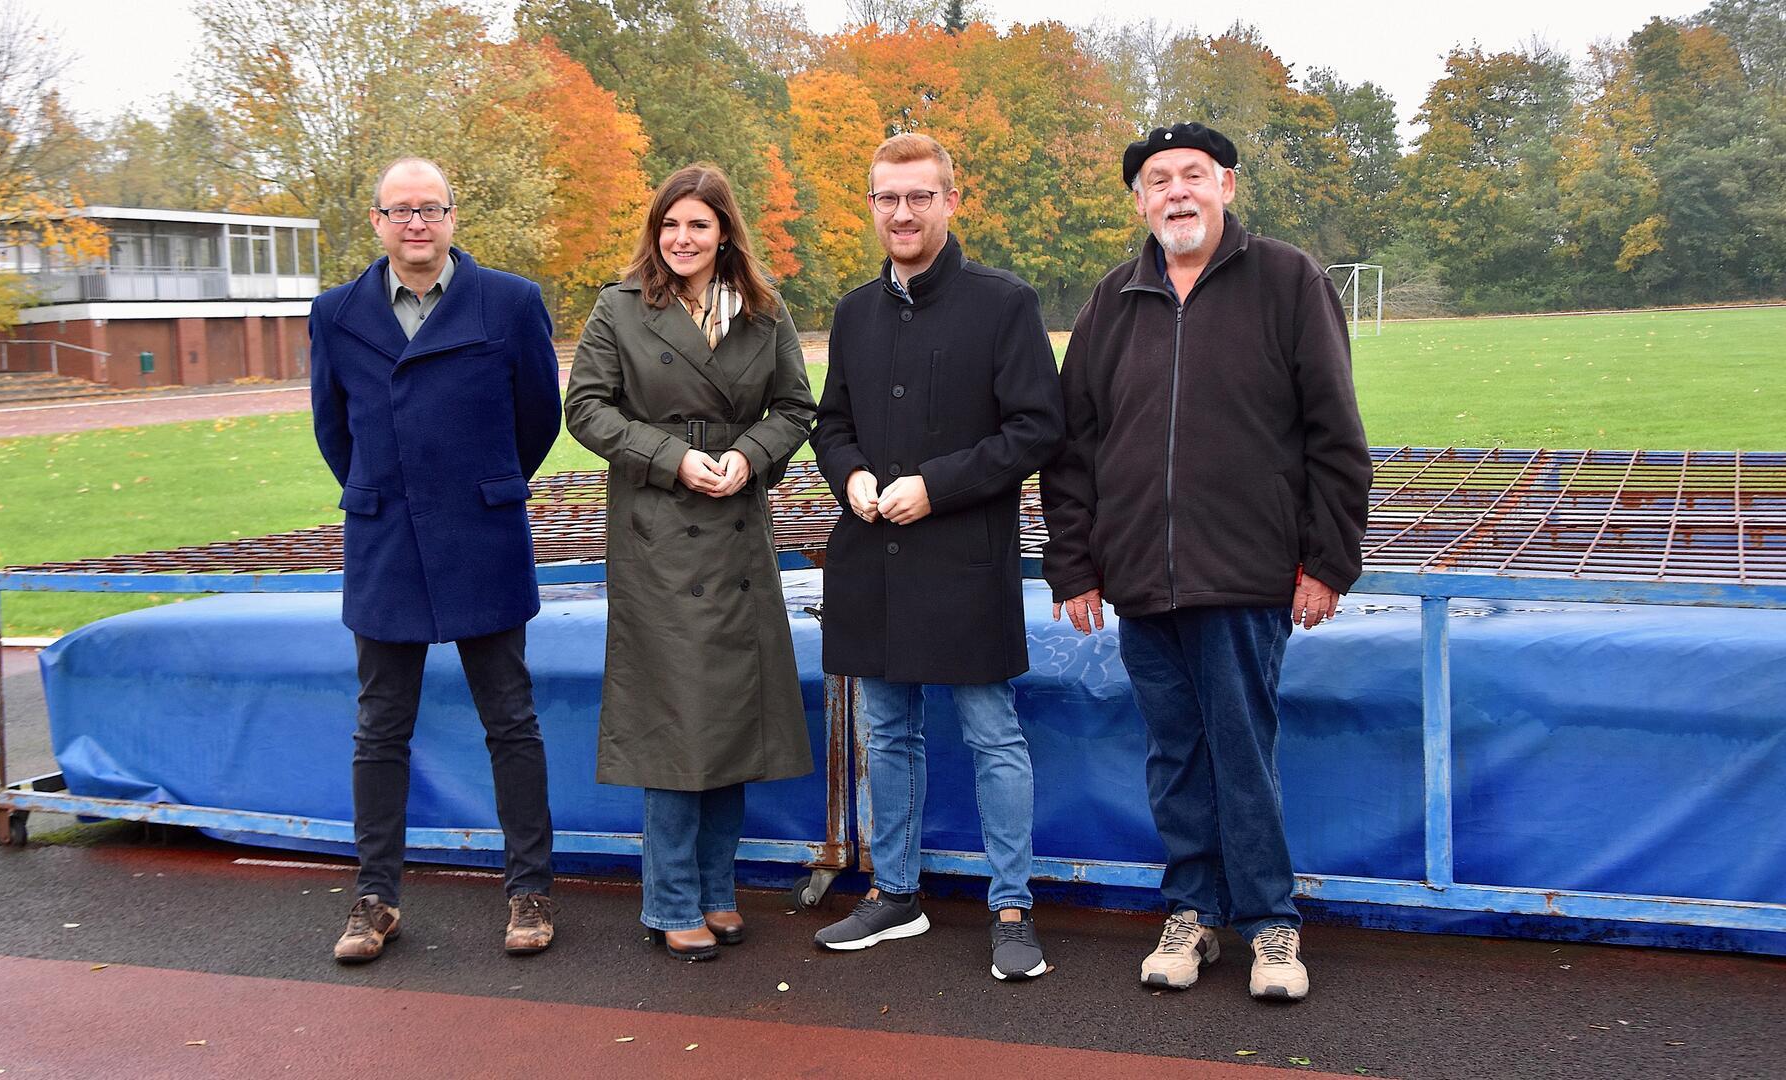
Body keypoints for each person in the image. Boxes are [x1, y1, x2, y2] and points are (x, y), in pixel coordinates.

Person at [1041, 123, 1371, 1001]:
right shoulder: (1113, 301)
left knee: (1242, 749)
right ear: (1139, 200)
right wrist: (1074, 564)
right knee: (1175, 754)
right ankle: (1191, 911)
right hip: (1142, 577)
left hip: (1246, 572)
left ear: (1227, 185)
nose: (1177, 192)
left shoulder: (1287, 280)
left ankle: (1270, 923)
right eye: (1159, 180)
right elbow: (1073, 449)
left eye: (1194, 175)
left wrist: (1327, 560)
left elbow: (1334, 431)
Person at [810, 133, 1064, 981]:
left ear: (952, 201)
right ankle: (896, 895)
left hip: (962, 557)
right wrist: (848, 478)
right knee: (887, 731)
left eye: (920, 196)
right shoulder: (852, 311)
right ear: (873, 204)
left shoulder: (1005, 302)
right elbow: (831, 424)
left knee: (993, 734)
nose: (903, 212)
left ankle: (1012, 904)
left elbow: (1036, 428)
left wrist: (935, 486)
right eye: (888, 197)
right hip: (872, 557)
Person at [310, 157, 564, 963]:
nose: (416, 223)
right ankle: (375, 898)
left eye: (431, 209)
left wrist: (487, 487)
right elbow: (333, 430)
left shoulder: (511, 303)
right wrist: (386, 489)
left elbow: (538, 417)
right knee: (380, 728)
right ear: (377, 222)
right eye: (400, 211)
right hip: (385, 541)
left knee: (510, 721)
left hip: (482, 538)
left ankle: (530, 892)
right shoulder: (335, 313)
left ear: (454, 217)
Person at [564, 163, 817, 961]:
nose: (682, 239)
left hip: (738, 530)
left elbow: (796, 407)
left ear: (723, 233)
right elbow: (587, 408)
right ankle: (670, 899)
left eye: (698, 226)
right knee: (676, 727)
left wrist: (749, 455)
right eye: (670, 225)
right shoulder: (620, 308)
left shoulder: (764, 310)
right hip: (658, 536)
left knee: (732, 722)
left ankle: (716, 891)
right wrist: (670, 456)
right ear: (656, 229)